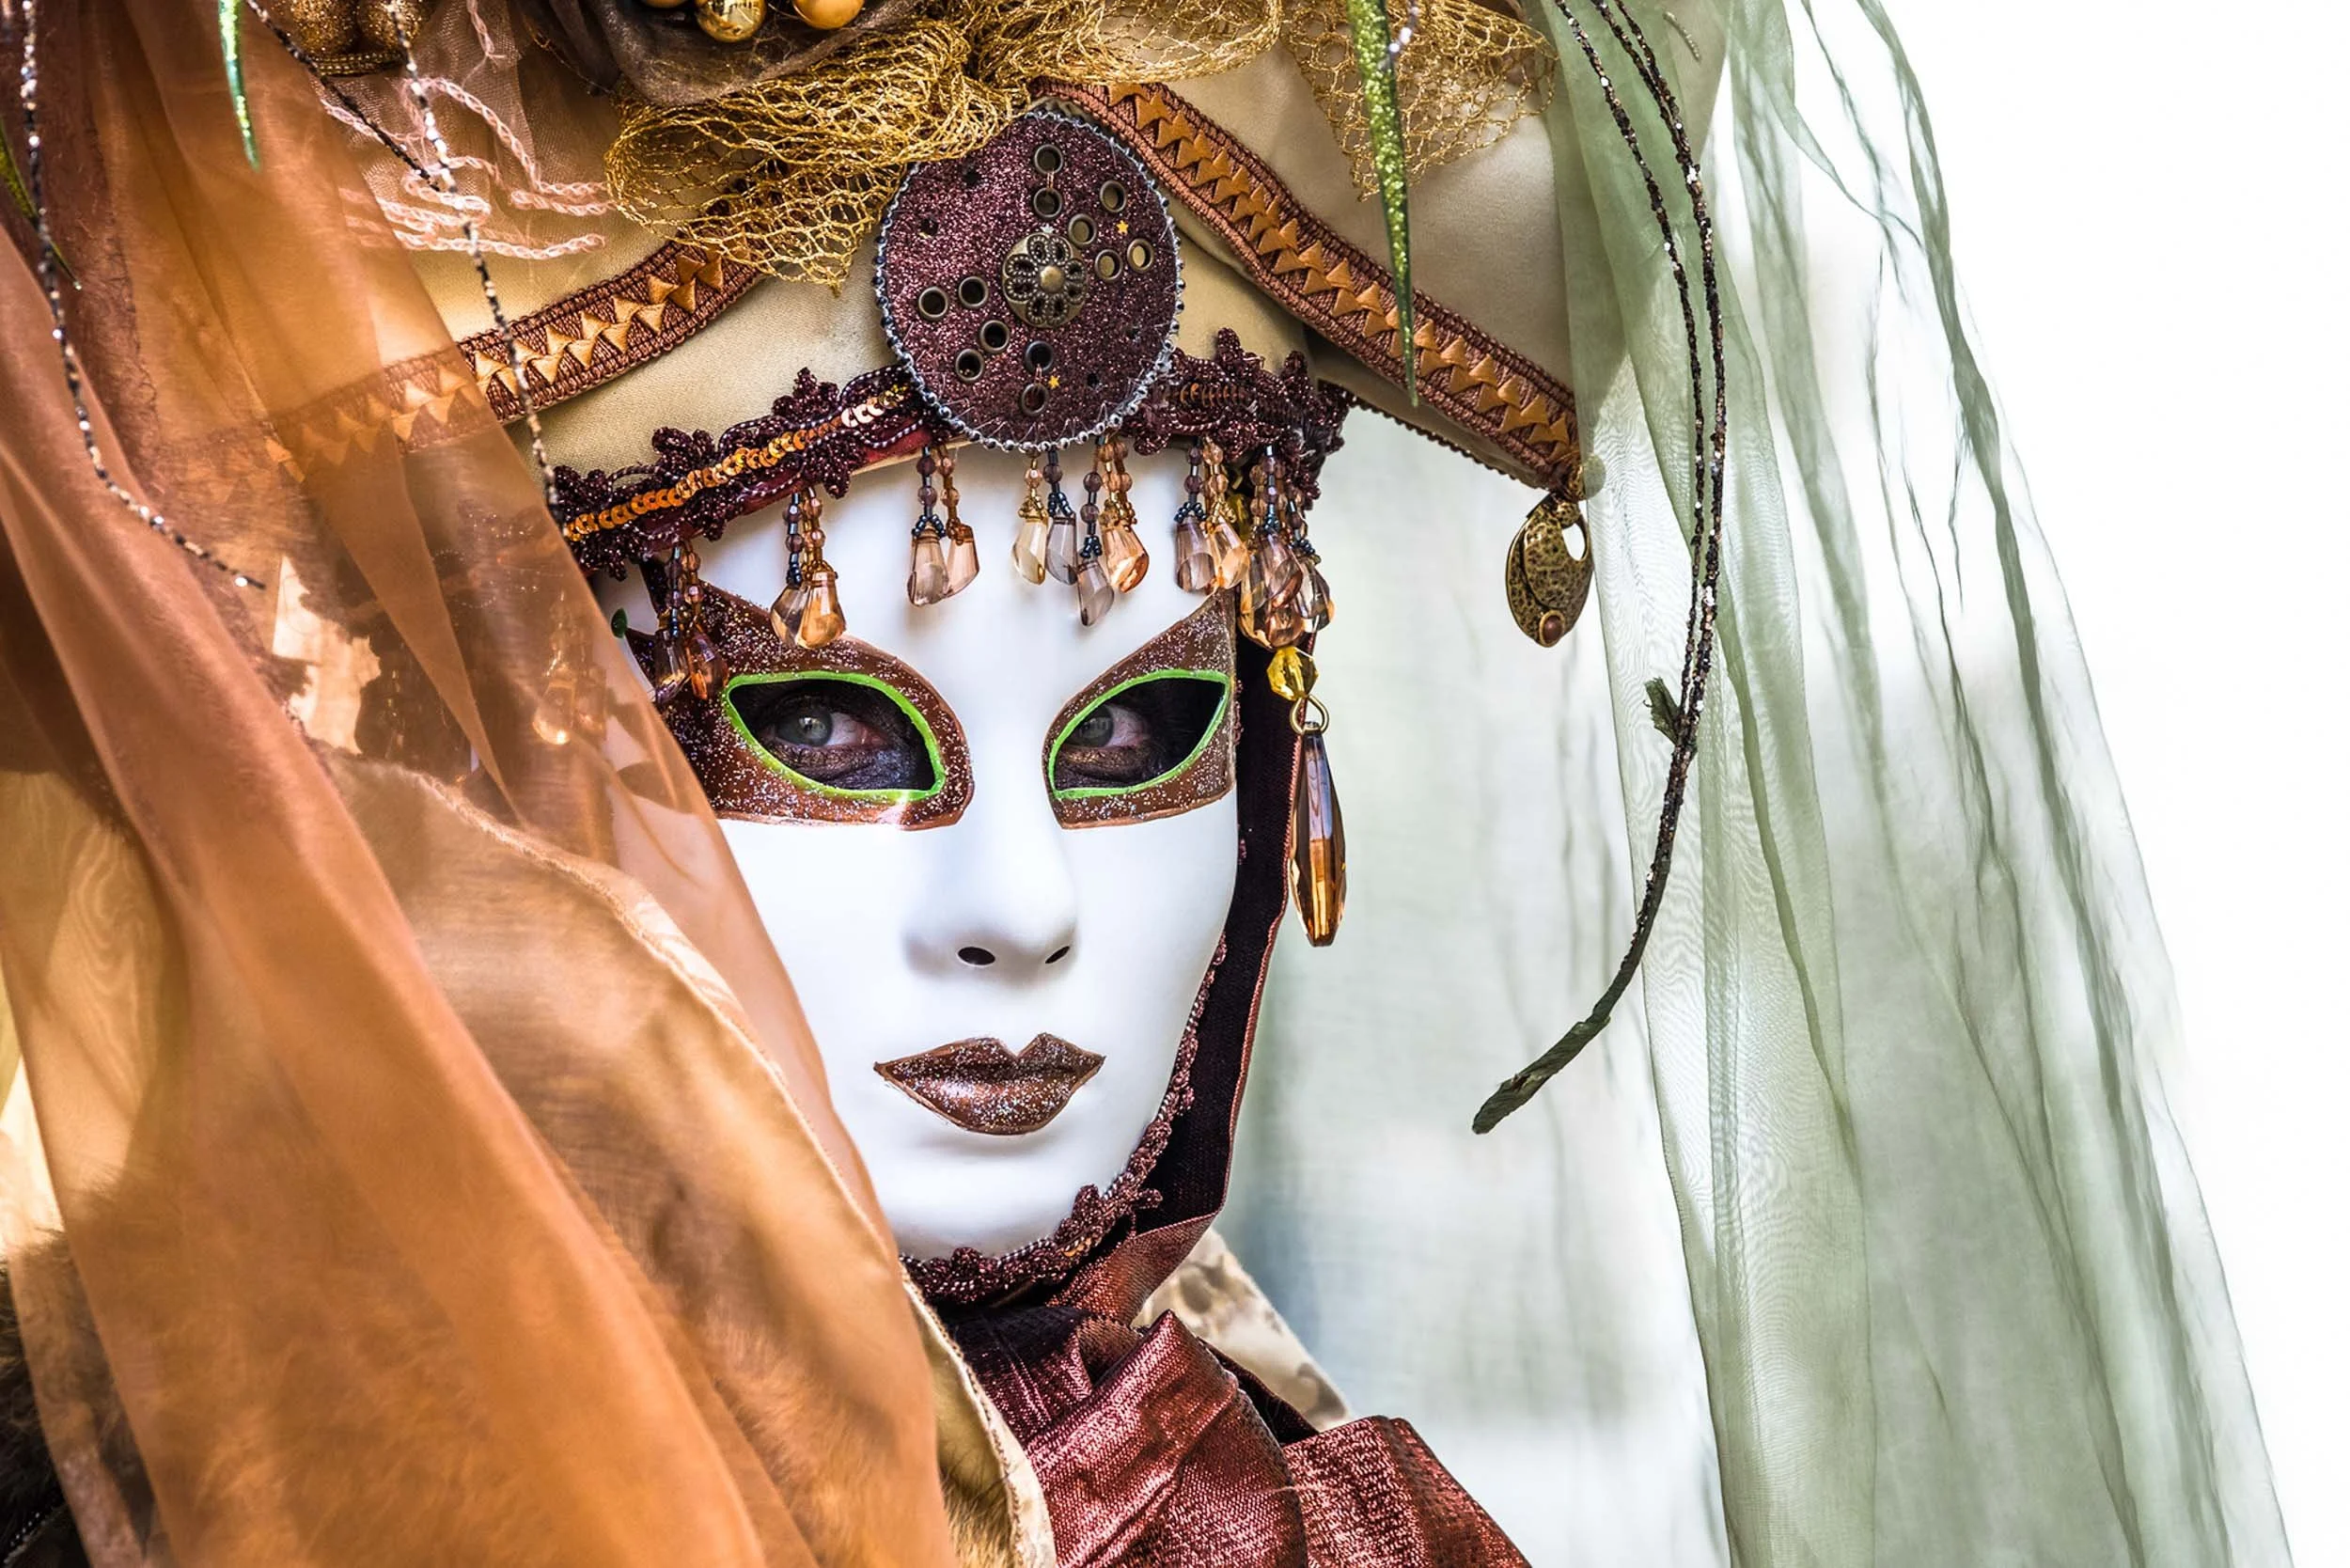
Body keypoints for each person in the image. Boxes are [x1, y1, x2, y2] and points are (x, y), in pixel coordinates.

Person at [0, 1, 2291, 1564]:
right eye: (817, 722)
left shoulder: (1281, 1510)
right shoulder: (230, 1491)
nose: (1016, 906)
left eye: (1141, 729)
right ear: (471, 777)